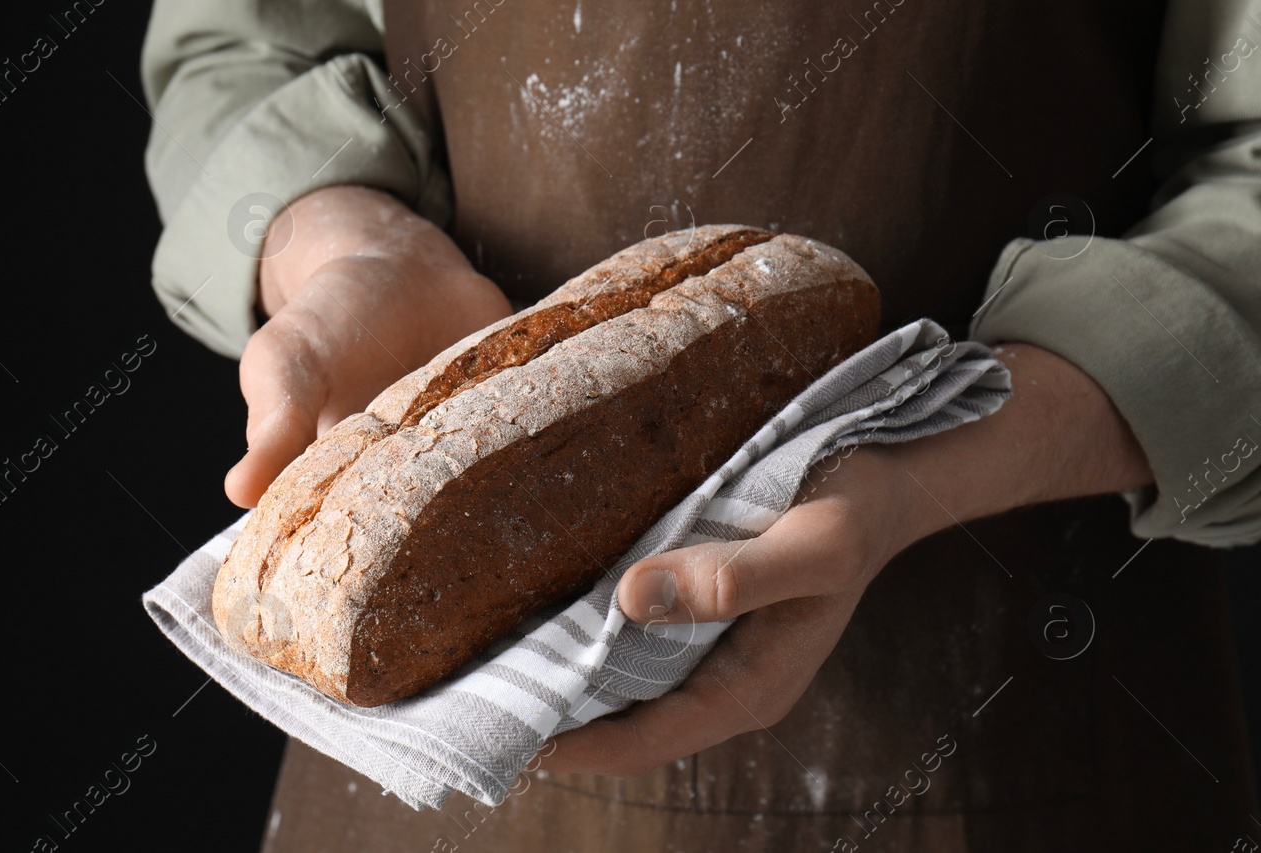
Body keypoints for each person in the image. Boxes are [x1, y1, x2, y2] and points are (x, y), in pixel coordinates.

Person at [140, 0, 1261, 849]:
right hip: (412, 772)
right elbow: (240, 46)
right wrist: (335, 241)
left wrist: (927, 462)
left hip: (999, 735)